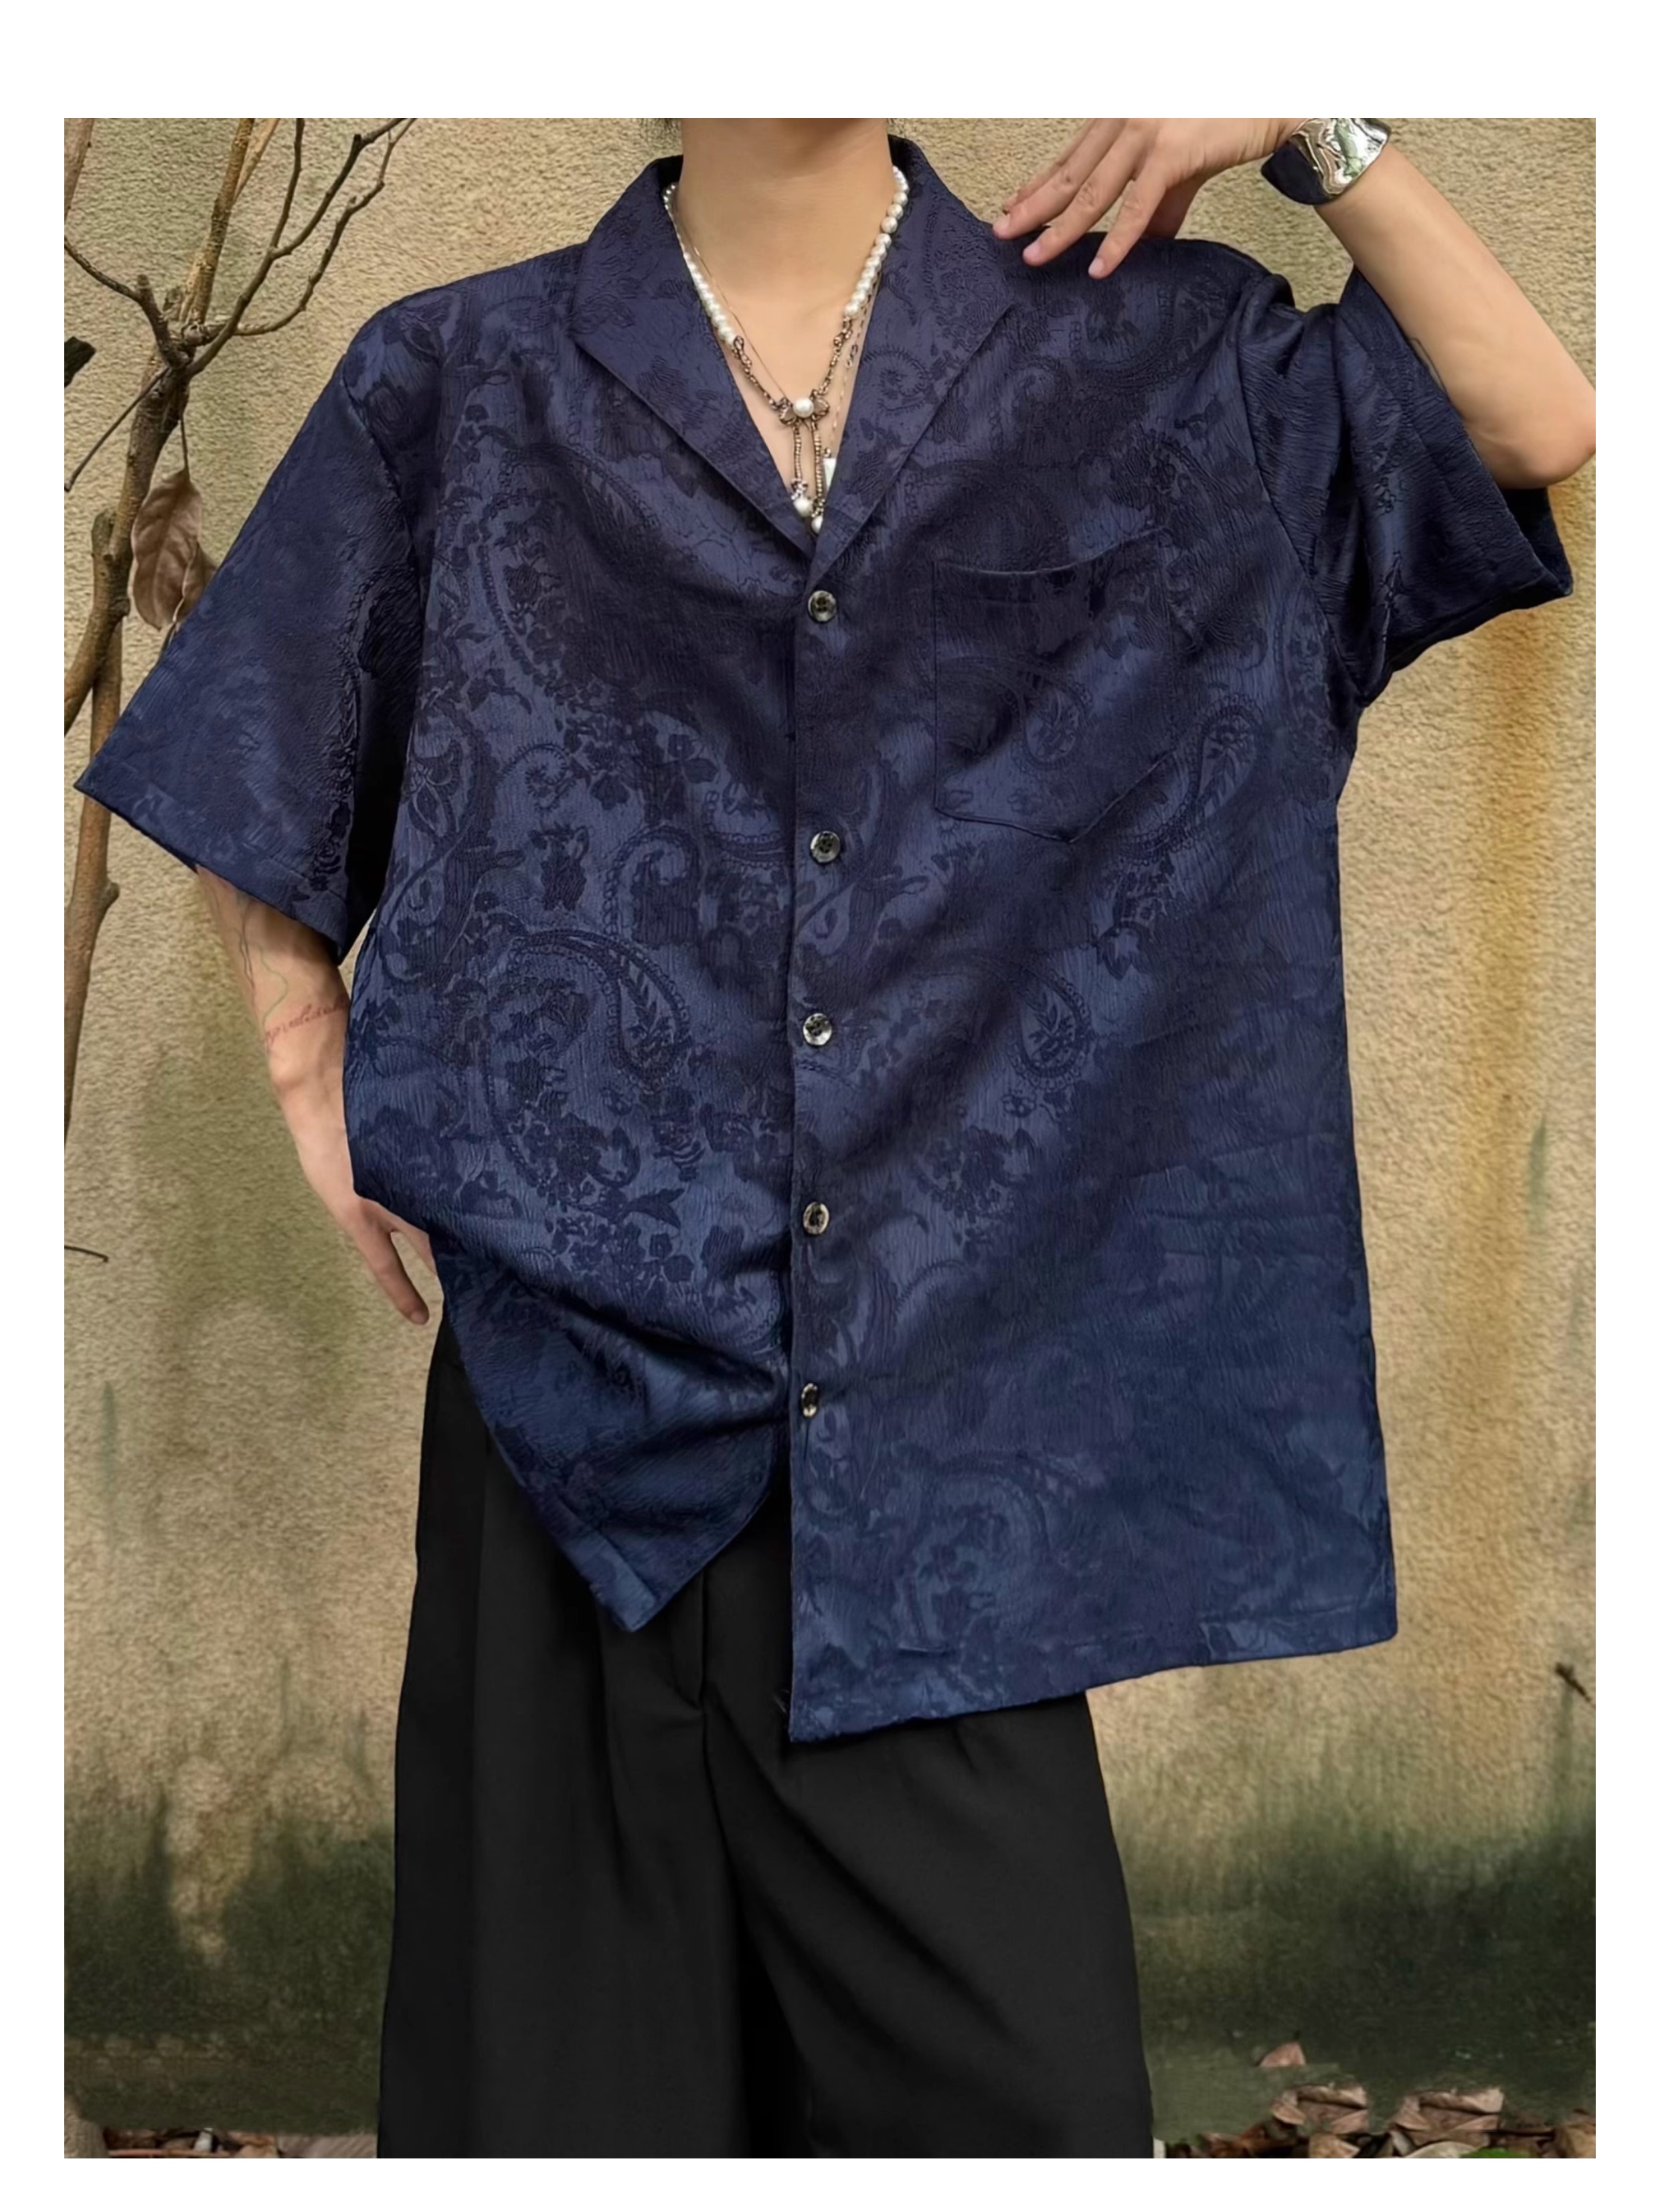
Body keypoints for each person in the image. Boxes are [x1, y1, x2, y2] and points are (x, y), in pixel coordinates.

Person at [74, 117, 1592, 2157]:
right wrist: (297, 1033)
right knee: (561, 2126)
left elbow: (1526, 426)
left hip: (943, 1470)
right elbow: (267, 715)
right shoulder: (468, 375)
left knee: (1014, 2115)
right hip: (573, 1436)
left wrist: (1316, 118)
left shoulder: (1155, 353)